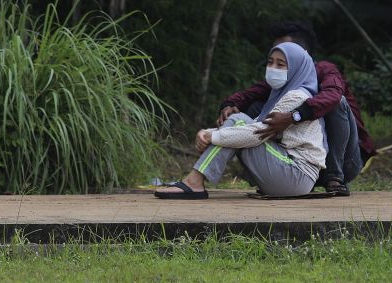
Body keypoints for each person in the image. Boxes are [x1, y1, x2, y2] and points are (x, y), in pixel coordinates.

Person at [217, 22, 375, 196]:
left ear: (299, 53)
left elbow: (333, 96)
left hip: (346, 161)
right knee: (255, 107)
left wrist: (294, 116)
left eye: (284, 51)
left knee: (337, 102)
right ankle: (271, 171)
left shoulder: (325, 70)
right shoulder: (284, 79)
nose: (276, 56)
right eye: (274, 52)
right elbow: (250, 93)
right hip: (303, 163)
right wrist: (230, 105)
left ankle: (334, 177)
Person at [154, 42, 326, 199]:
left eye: (280, 65)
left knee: (238, 121)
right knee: (239, 125)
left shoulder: (297, 96)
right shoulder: (281, 94)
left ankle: (194, 182)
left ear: (297, 68)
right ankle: (194, 182)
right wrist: (208, 133)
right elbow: (256, 128)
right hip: (289, 174)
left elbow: (255, 133)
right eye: (270, 62)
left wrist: (211, 136)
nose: (273, 68)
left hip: (296, 174)